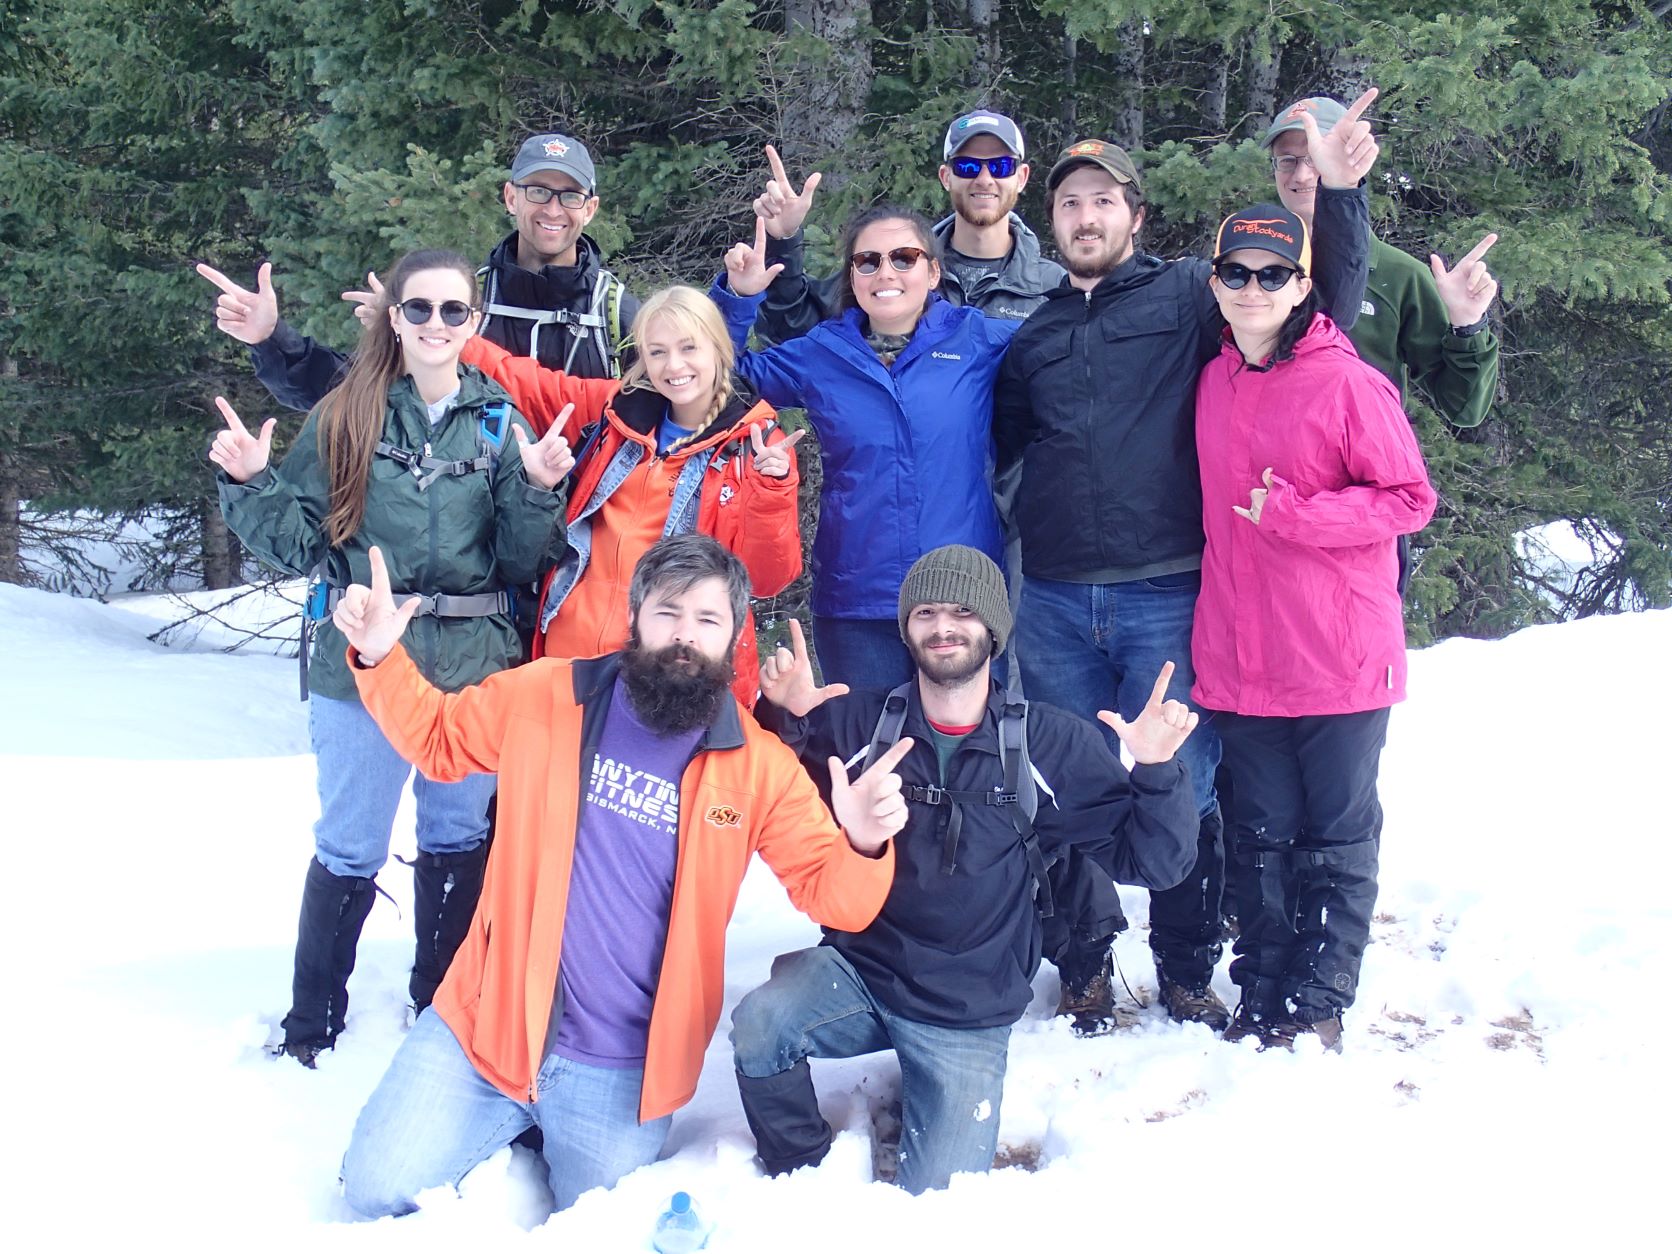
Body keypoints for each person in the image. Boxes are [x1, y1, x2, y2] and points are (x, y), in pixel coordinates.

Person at [331, 534, 912, 1216]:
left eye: (707, 620)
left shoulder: (758, 768)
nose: (684, 637)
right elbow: (438, 739)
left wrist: (866, 844)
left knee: (594, 1224)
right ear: (635, 617)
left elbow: (832, 896)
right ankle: (510, 1125)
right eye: (667, 613)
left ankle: (531, 1135)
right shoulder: (548, 696)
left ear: (732, 638)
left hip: (620, 1071)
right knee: (374, 1188)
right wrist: (376, 655)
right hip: (485, 1028)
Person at [993, 90, 1381, 1036]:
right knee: (1072, 783)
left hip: (1166, 589)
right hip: (1050, 596)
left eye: (1103, 200)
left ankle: (1184, 965)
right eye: (1070, 204)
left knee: (1186, 783)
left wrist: (1336, 195)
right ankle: (1082, 963)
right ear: (1055, 223)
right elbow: (1007, 454)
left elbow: (1314, 294)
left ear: (1134, 213)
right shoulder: (1032, 335)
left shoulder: (1184, 299)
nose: (1086, 217)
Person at [730, 545, 1199, 1194]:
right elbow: (765, 801)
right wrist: (785, 719)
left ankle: (928, 1084)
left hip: (966, 1006)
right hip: (862, 971)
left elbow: (1156, 862)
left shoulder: (1050, 743)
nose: (943, 626)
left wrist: (1156, 769)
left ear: (993, 630)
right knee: (761, 1026)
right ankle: (802, 1172)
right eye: (926, 612)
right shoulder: (861, 722)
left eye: (962, 612)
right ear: (906, 629)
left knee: (939, 1203)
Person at [208, 248, 570, 1065]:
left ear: (473, 324)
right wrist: (255, 483)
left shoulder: (497, 421)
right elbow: (302, 539)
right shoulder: (350, 413)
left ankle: (437, 1006)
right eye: (420, 309)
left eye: (453, 311)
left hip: (474, 667)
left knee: (454, 836)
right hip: (363, 661)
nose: (436, 325)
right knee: (349, 843)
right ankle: (312, 1027)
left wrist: (538, 486)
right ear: (395, 319)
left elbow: (517, 559)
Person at [1190, 204, 1437, 1049]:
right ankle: (1261, 989)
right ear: (1215, 281)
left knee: (1334, 836)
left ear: (1302, 287)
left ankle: (1320, 999)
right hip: (1240, 655)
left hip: (1337, 653)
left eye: (1272, 274)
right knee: (1258, 835)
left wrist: (1295, 515)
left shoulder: (1348, 381)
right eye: (1236, 273)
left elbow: (1411, 499)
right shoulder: (1213, 376)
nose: (1252, 289)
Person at [454, 278, 804, 706]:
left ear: (718, 348)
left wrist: (772, 490)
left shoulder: (753, 444)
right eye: (657, 352)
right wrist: (452, 334)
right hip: (570, 659)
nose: (674, 365)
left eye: (689, 347)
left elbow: (766, 579)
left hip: (668, 678)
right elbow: (529, 383)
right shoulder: (618, 412)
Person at [717, 200, 1019, 691]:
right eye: (868, 260)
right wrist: (738, 298)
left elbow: (1064, 350)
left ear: (933, 270)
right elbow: (718, 380)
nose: (886, 272)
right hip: (859, 598)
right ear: (852, 276)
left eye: (904, 257)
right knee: (866, 752)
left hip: (962, 595)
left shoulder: (977, 339)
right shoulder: (822, 352)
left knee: (969, 757)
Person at [196, 131, 638, 413]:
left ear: (591, 209)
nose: (553, 209)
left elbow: (672, 422)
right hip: (475, 534)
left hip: (586, 533)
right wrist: (272, 336)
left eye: (570, 196)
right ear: (510, 197)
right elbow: (350, 392)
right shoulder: (458, 302)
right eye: (538, 190)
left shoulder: (618, 316)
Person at [1263, 95, 1499, 597]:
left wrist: (1467, 326)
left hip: (1360, 515)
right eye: (1288, 160)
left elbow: (1465, 408)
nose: (1302, 174)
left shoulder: (1397, 276)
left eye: (1314, 156)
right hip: (1269, 504)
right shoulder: (1248, 268)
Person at [751, 109, 1065, 344]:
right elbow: (791, 331)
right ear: (946, 177)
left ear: (1021, 177)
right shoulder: (899, 264)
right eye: (967, 166)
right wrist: (784, 239)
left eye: (1000, 166)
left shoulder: (1053, 287)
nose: (984, 179)